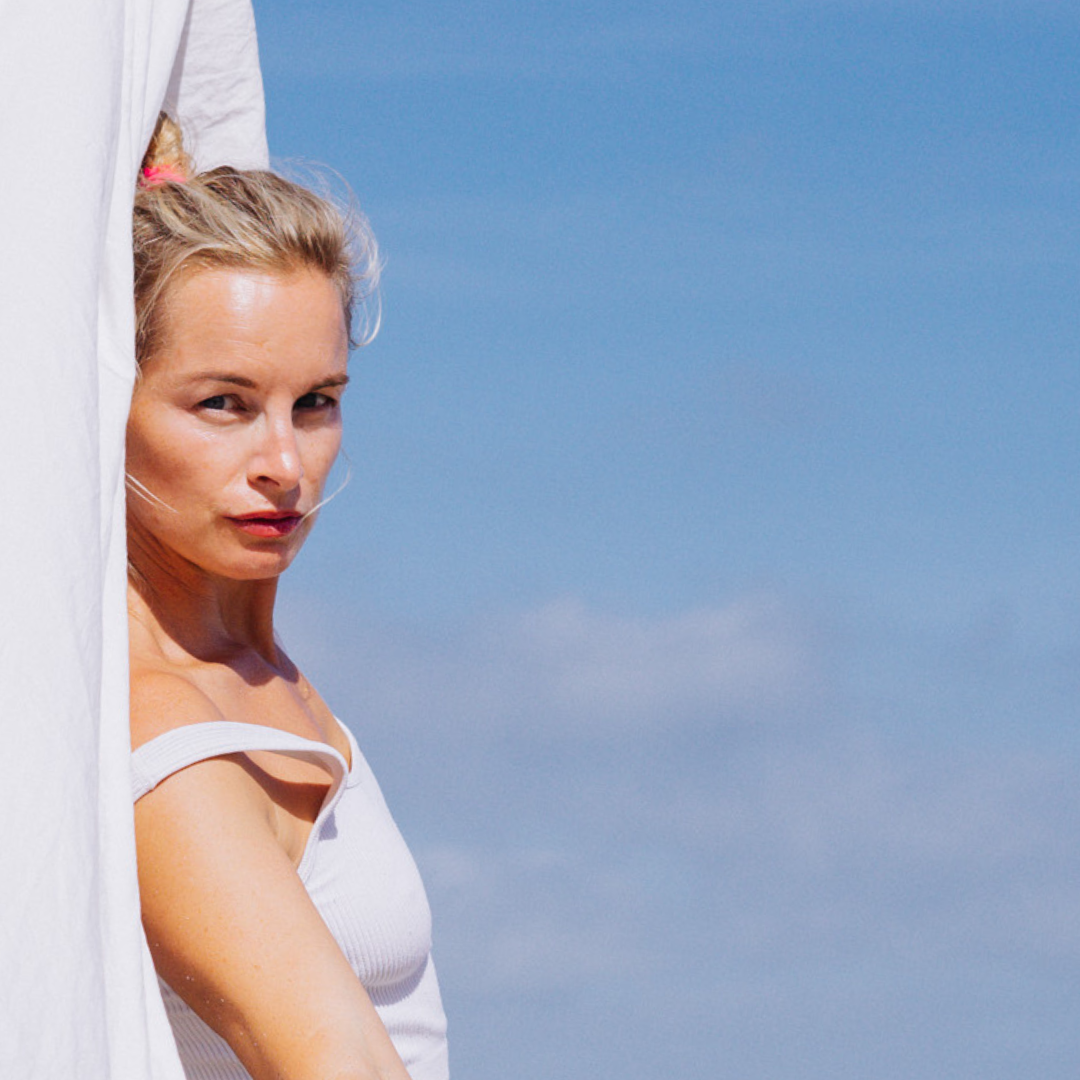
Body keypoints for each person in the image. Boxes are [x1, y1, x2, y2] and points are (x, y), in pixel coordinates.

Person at [127, 113, 449, 1080]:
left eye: (315, 402)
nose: (284, 465)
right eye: (221, 403)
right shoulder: (158, 722)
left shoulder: (253, 676)